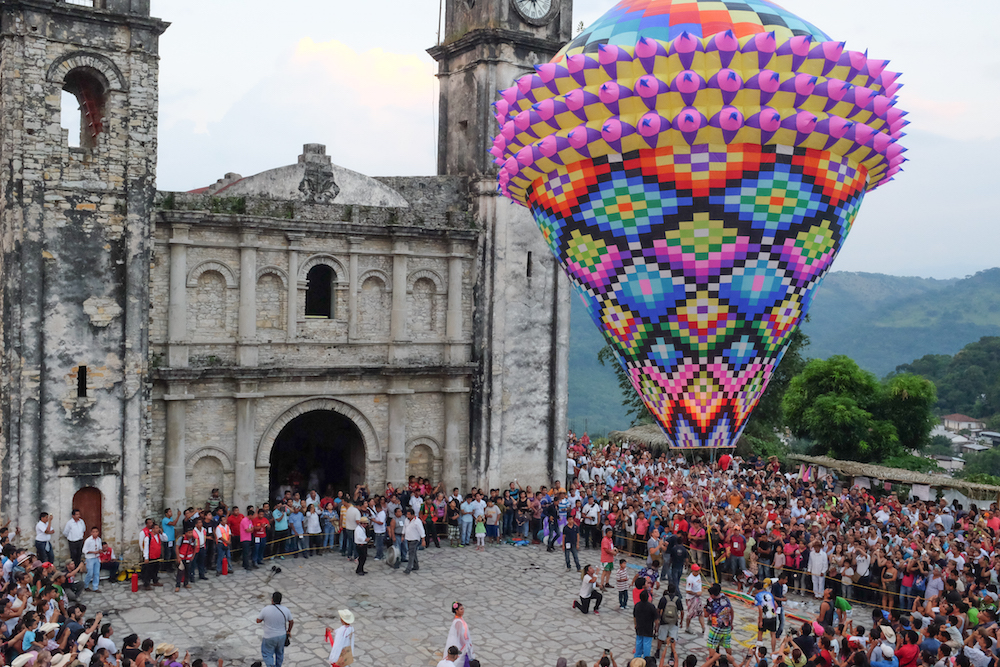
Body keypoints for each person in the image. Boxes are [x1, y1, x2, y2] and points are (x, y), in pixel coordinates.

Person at [257, 591, 293, 667]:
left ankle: (271, 665)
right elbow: (291, 621)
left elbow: (258, 620)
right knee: (280, 653)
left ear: (272, 599)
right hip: (281, 636)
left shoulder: (266, 609)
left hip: (269, 636)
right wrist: (289, 631)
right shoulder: (286, 610)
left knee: (267, 653)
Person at [705, 583, 734, 663]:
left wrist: (705, 607)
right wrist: (731, 623)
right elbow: (731, 610)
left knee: (711, 644)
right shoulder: (726, 598)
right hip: (726, 625)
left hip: (716, 627)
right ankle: (730, 660)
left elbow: (706, 614)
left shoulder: (711, 601)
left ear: (713, 594)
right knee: (727, 644)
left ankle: (713, 661)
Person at [656, 583, 684, 661]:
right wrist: (681, 621)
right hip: (673, 621)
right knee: (673, 638)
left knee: (661, 637)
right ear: (675, 590)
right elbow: (682, 611)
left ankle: (658, 651)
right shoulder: (677, 599)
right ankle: (672, 653)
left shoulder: (663, 599)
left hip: (664, 621)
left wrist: (658, 618)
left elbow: (658, 609)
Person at [634, 589, 658, 659]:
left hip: (639, 627)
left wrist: (635, 624)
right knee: (647, 644)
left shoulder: (637, 605)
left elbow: (634, 617)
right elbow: (656, 619)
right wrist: (656, 628)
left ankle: (637, 658)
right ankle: (646, 659)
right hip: (648, 628)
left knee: (638, 642)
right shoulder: (651, 606)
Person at [403, 507, 426, 575]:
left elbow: (421, 530)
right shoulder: (406, 520)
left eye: (409, 514)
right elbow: (404, 527)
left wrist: (423, 540)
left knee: (411, 553)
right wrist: (403, 535)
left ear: (413, 515)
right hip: (408, 538)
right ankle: (416, 565)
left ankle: (408, 568)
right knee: (413, 552)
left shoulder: (417, 521)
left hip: (414, 539)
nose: (408, 516)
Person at [685, 564, 705, 635]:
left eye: (698, 570)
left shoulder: (698, 575)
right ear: (692, 571)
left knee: (701, 612)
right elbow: (688, 590)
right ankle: (687, 627)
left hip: (697, 598)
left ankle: (703, 627)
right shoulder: (690, 579)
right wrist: (696, 593)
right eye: (696, 571)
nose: (698, 572)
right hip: (691, 598)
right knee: (690, 614)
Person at [82, 527, 102, 593]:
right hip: (90, 558)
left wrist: (100, 551)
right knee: (90, 573)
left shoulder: (99, 540)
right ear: (91, 533)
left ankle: (95, 587)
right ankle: (86, 585)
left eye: (96, 532)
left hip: (96, 558)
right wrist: (93, 552)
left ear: (98, 532)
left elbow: (100, 548)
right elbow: (84, 550)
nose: (95, 533)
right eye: (93, 532)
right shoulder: (88, 540)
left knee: (96, 573)